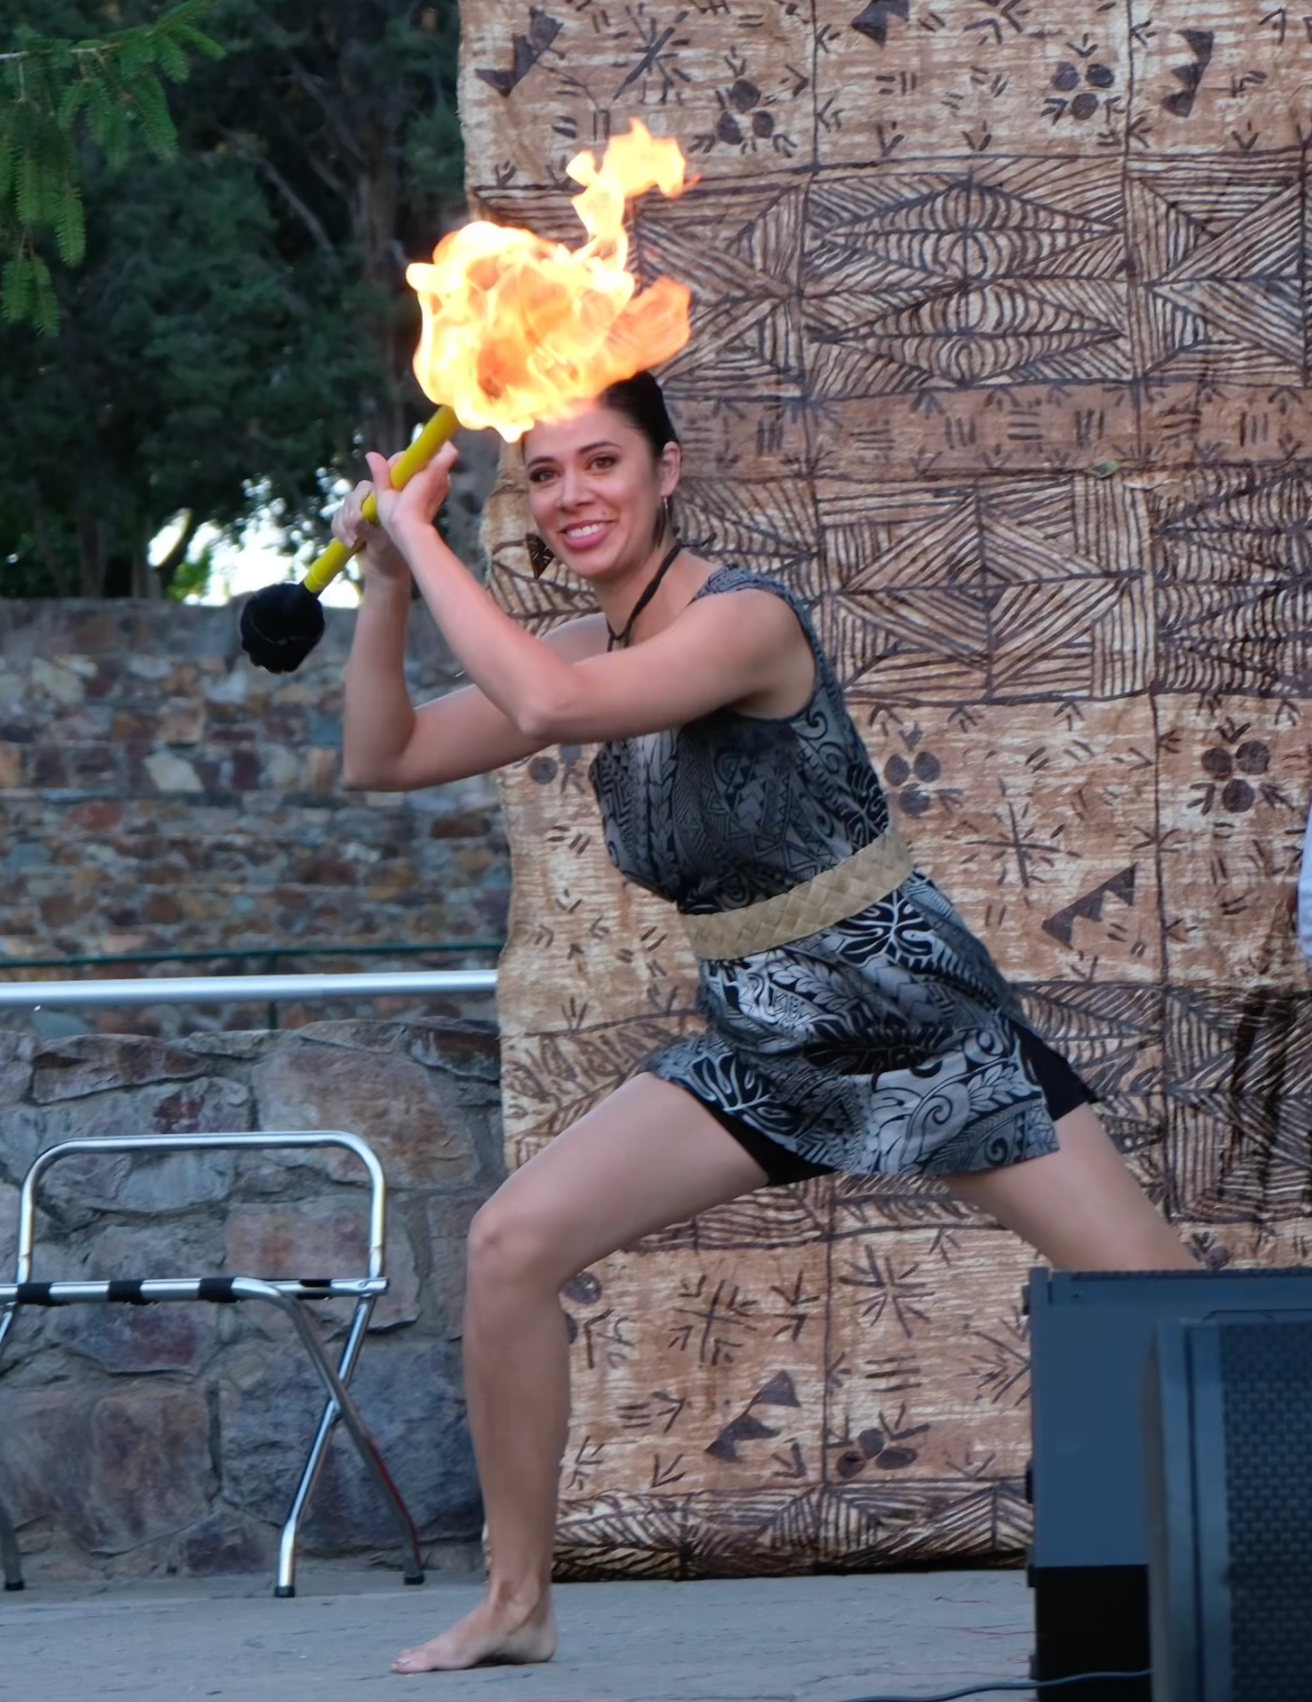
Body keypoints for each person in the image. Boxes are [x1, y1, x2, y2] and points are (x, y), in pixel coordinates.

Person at [335, 370, 1193, 1675]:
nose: (573, 495)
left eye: (602, 463)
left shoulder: (743, 620)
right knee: (513, 1240)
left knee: (1166, 1315)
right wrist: (389, 581)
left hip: (916, 1023)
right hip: (765, 1042)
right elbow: (382, 755)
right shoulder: (588, 646)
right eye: (548, 472)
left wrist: (411, 531)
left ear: (667, 473)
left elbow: (549, 714)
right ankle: (517, 1600)